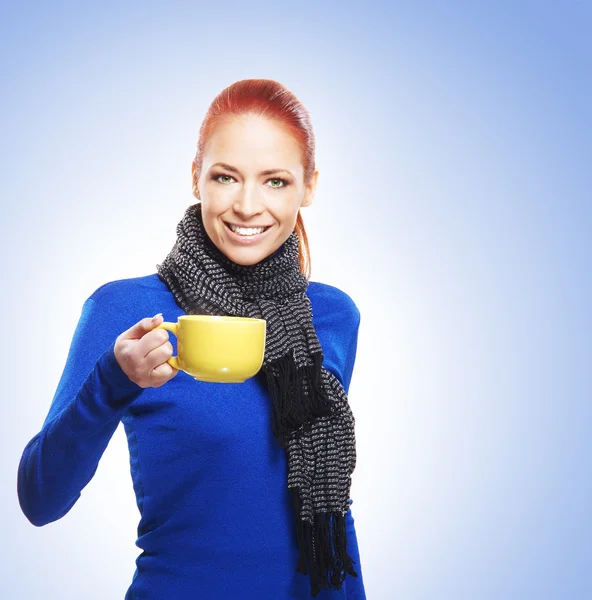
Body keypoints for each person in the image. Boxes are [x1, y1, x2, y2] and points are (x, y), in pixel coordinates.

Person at [17, 78, 366, 599]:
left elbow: (326, 508)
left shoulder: (333, 316)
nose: (248, 206)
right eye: (226, 177)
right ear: (196, 178)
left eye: (275, 181)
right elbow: (40, 499)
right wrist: (113, 380)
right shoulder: (125, 311)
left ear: (309, 186)